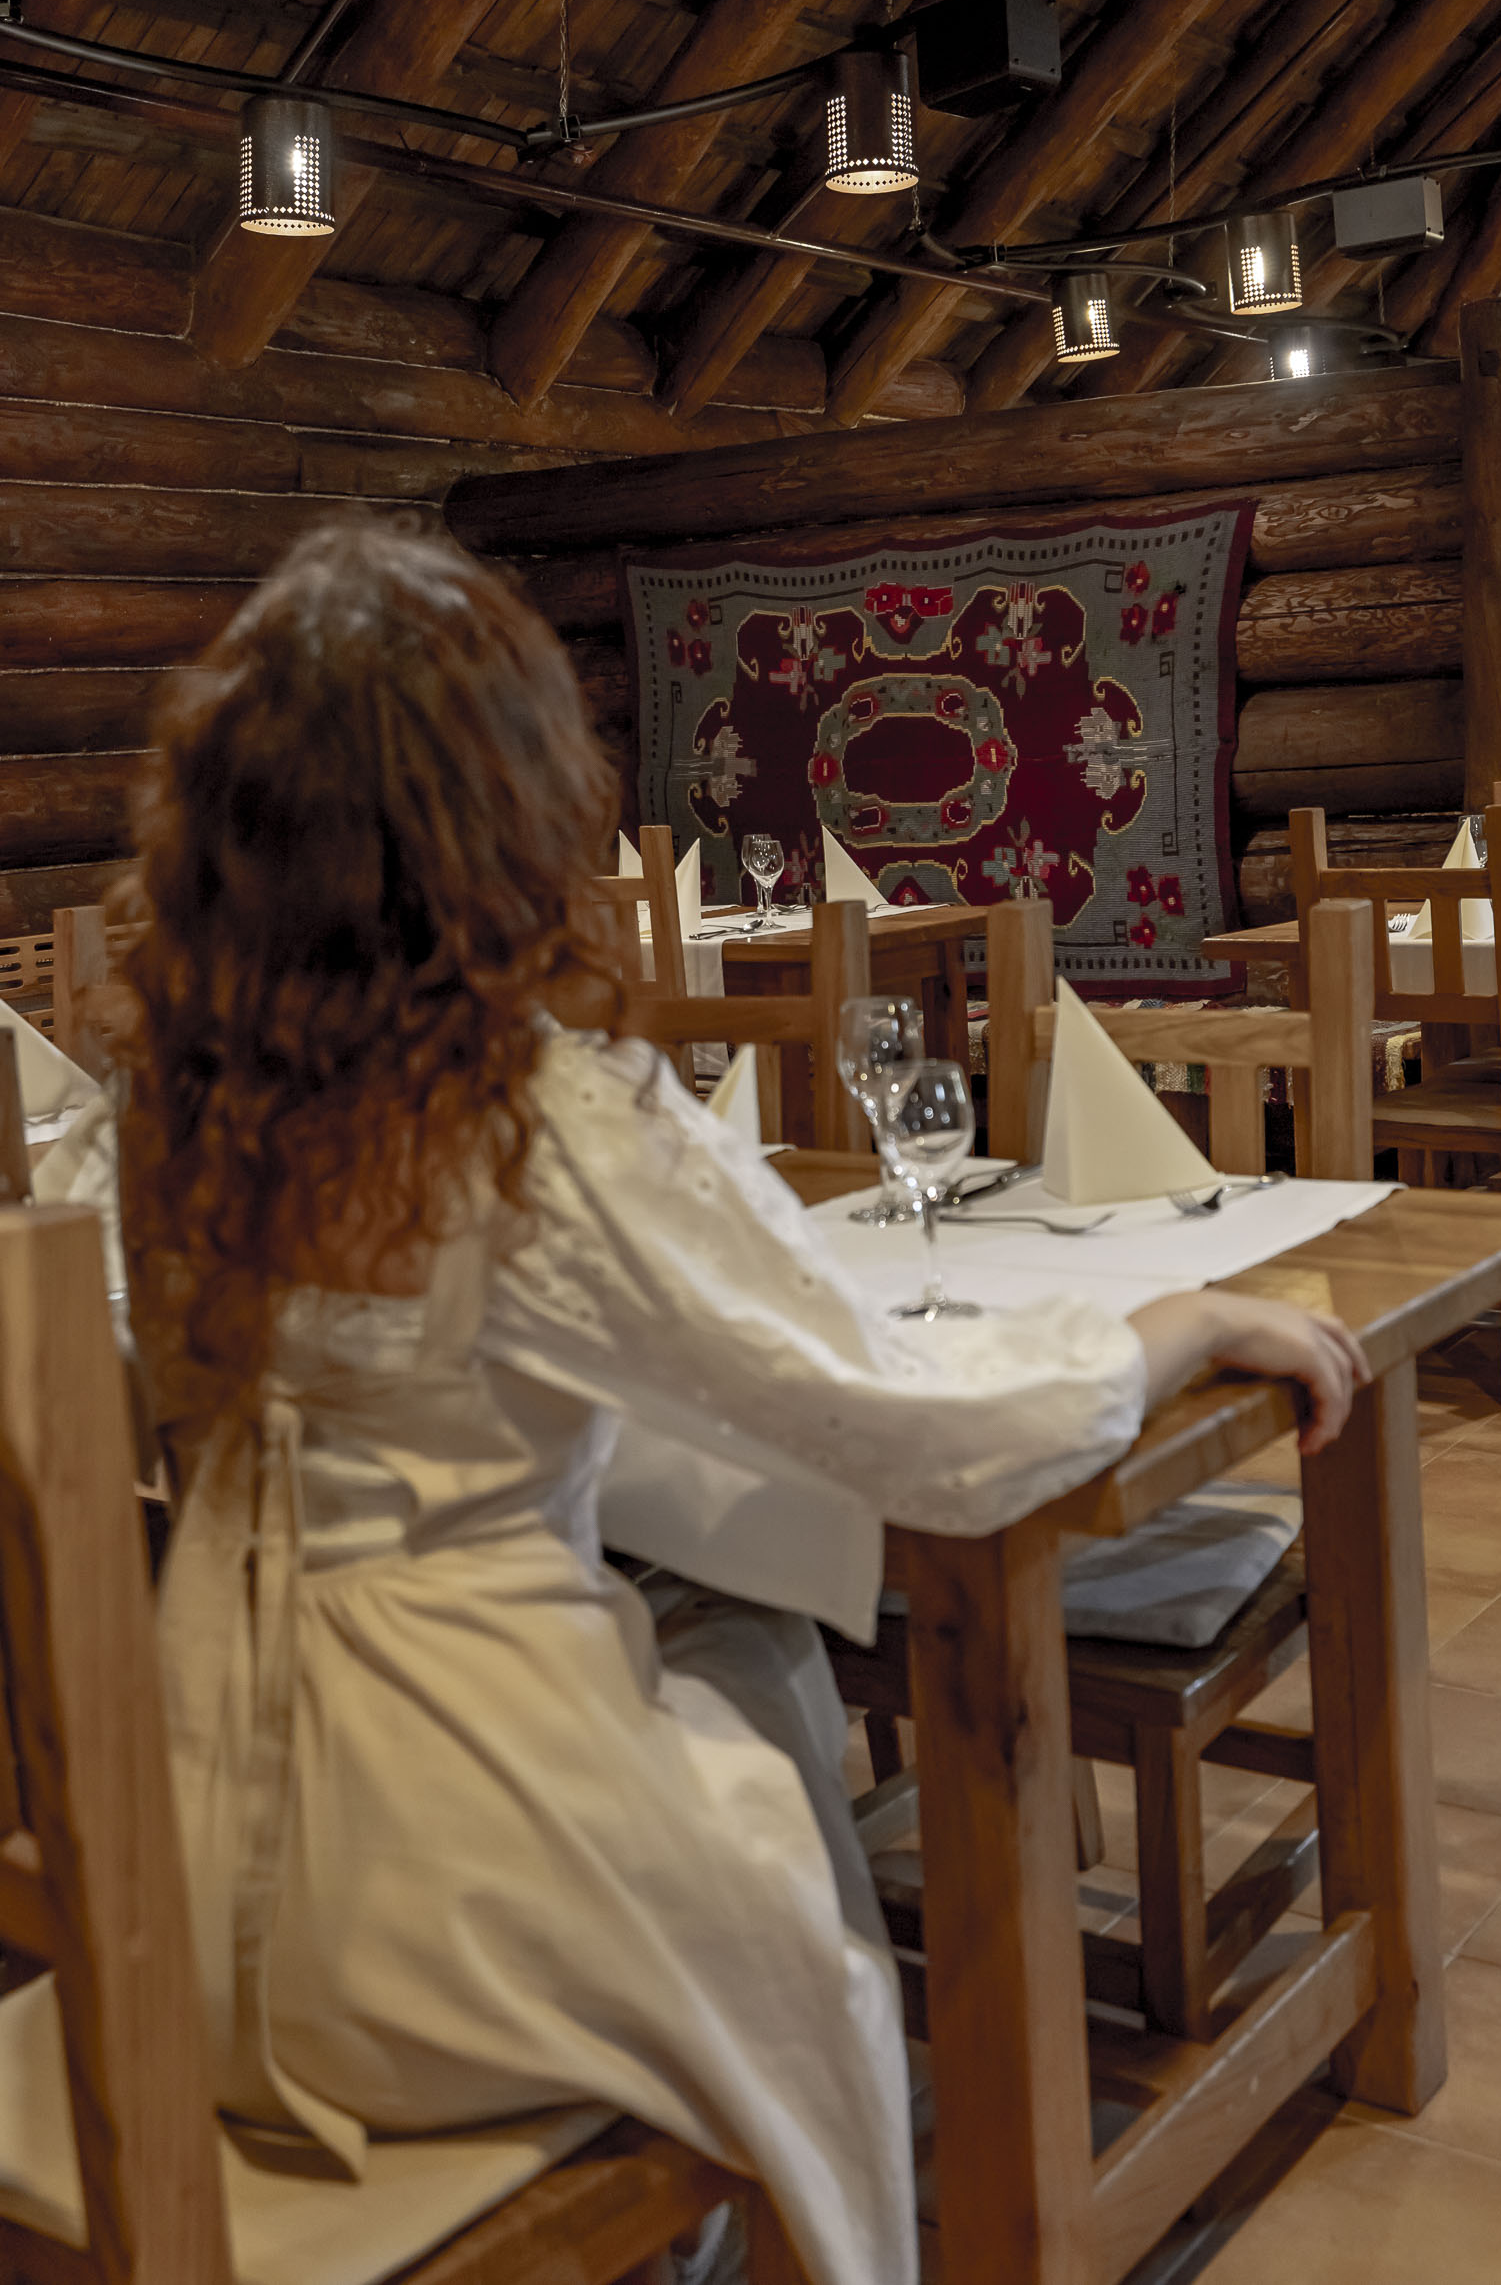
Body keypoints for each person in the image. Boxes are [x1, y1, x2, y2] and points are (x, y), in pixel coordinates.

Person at [103, 521, 1366, 2285]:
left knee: (734, 1647)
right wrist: (1171, 1326)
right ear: (511, 806)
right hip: (432, 1888)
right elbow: (924, 1432)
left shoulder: (177, 1118)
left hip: (170, 1870)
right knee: (802, 1919)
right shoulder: (535, 1120)